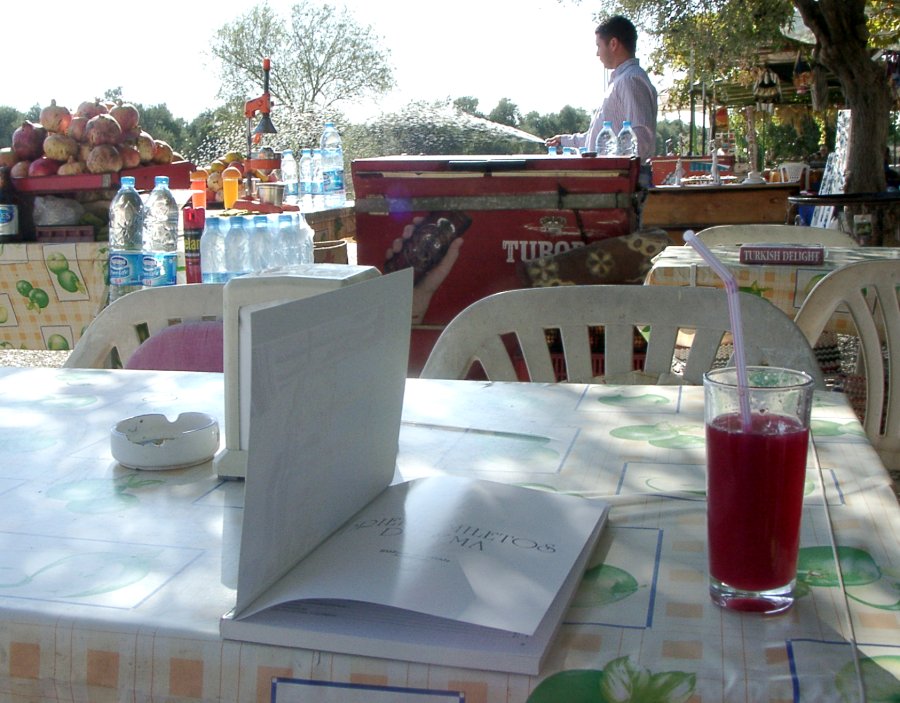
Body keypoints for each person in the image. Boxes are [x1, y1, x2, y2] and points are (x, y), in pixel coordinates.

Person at [546, 15, 658, 164]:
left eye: (598, 46)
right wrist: (564, 141)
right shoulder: (622, 80)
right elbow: (598, 139)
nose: (597, 53)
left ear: (613, 44)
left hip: (620, 177)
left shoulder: (630, 80)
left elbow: (641, 139)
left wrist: (613, 163)